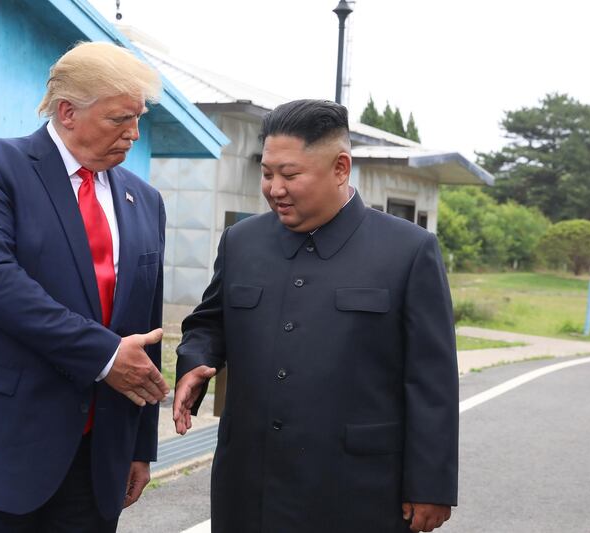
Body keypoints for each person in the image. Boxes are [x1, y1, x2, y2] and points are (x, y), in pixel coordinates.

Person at [0, 41, 169, 532]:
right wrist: (105, 356)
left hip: (96, 458)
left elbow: (143, 331)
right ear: (67, 112)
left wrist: (138, 447)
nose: (133, 133)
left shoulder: (144, 199)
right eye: (118, 119)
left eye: (138, 118)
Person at [174, 99, 458, 533]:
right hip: (250, 488)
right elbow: (209, 322)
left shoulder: (408, 250)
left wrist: (431, 484)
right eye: (267, 173)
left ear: (340, 168)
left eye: (290, 175)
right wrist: (195, 360)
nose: (274, 188)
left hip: (357, 492)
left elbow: (431, 378)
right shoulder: (241, 242)